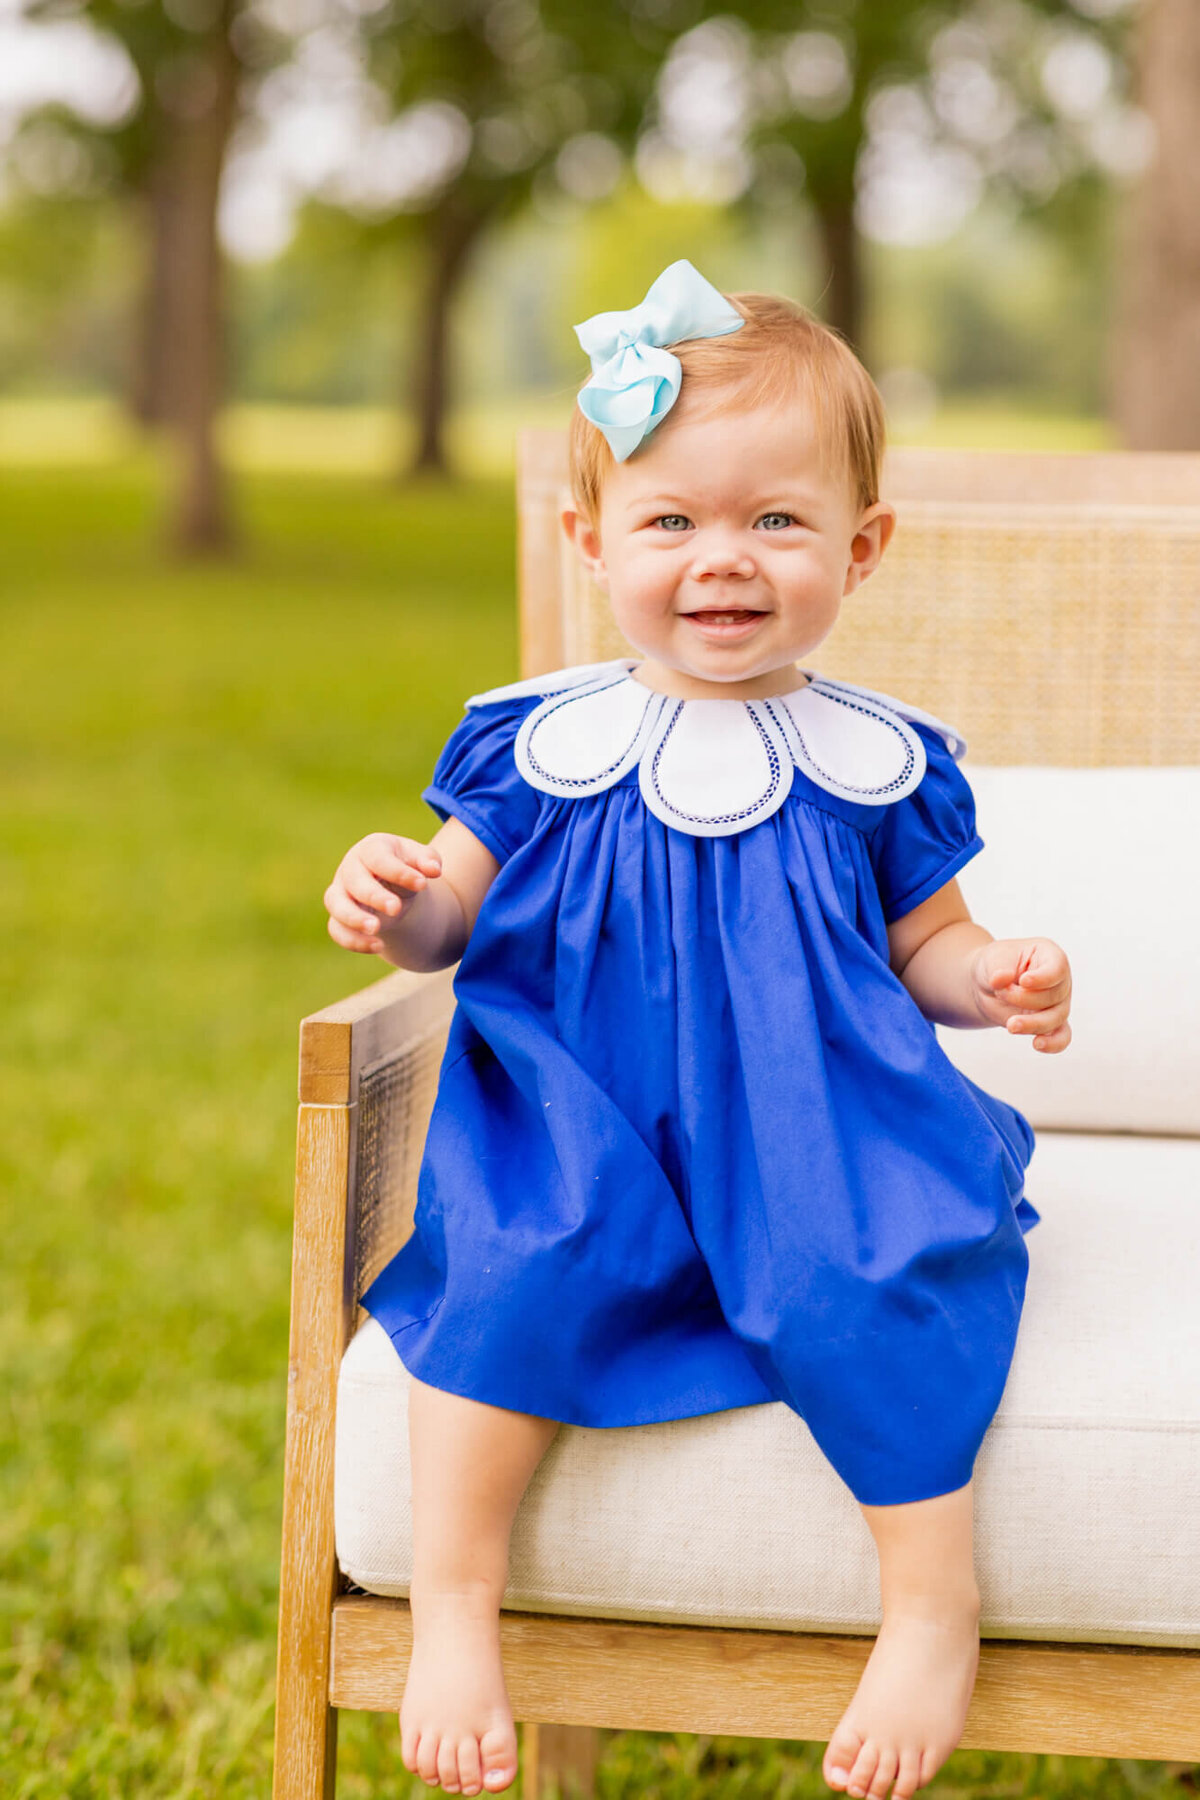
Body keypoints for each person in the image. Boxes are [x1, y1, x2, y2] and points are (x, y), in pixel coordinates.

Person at [323, 260, 1073, 1800]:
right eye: (672, 521)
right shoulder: (537, 745)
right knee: (514, 1267)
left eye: (775, 521)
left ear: (860, 550)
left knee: (859, 1271)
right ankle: (459, 1606)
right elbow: (449, 921)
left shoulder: (876, 761)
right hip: (580, 1111)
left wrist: (993, 971)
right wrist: (393, 901)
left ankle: (930, 1605)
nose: (721, 560)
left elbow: (926, 940)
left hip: (822, 1118)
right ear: (592, 540)